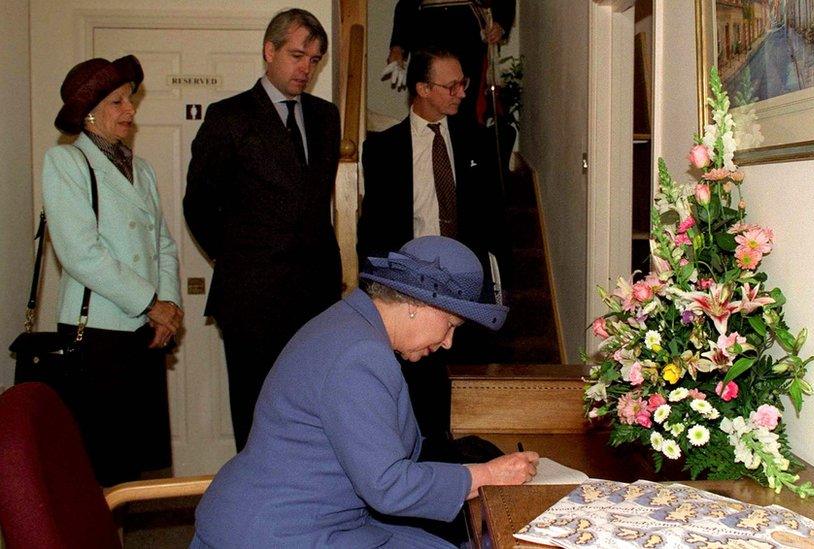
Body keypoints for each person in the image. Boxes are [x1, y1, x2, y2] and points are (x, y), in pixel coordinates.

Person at [191, 236, 538, 548]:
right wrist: (488, 475)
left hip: (308, 518)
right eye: (450, 326)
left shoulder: (350, 323)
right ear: (417, 303)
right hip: (281, 531)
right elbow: (389, 486)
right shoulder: (360, 354)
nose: (448, 342)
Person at [183, 8, 343, 452]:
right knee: (255, 416)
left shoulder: (326, 117)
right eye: (296, 55)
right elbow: (197, 205)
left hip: (316, 299)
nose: (305, 69)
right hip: (251, 298)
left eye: (314, 60)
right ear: (269, 51)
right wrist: (242, 258)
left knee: (315, 414)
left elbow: (314, 204)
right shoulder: (228, 117)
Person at [358, 47, 510, 442]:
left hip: (466, 288)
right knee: (417, 396)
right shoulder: (382, 149)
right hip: (412, 291)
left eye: (464, 82)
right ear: (423, 88)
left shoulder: (478, 141)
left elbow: (495, 220)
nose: (462, 91)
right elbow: (372, 228)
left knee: (468, 397)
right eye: (452, 85)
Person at [43, 54, 182, 486]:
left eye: (130, 100)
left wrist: (170, 305)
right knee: (95, 465)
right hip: (95, 337)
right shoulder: (65, 163)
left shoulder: (139, 168)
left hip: (141, 332)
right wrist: (150, 303)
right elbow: (81, 253)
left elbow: (162, 243)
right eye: (118, 102)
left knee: (131, 466)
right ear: (88, 112)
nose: (130, 110)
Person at [389, 0, 516, 124]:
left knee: (463, 99)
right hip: (427, 28)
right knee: (426, 99)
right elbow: (406, 4)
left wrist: (501, 24)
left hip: (465, 31)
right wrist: (397, 47)